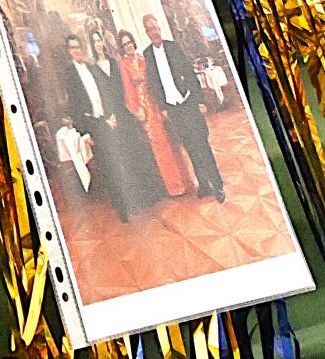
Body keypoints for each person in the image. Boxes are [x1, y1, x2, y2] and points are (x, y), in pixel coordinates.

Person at [142, 13, 227, 200]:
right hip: (173, 109)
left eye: (155, 28)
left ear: (159, 28)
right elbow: (153, 83)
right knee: (189, 146)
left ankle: (218, 185)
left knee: (202, 144)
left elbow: (190, 73)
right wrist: (163, 106)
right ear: (146, 32)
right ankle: (204, 184)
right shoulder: (147, 55)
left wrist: (200, 101)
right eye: (149, 29)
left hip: (188, 102)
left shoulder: (174, 47)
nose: (154, 32)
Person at [59, 34, 143, 222]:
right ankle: (122, 209)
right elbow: (74, 106)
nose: (76, 51)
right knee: (107, 166)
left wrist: (111, 114)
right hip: (93, 125)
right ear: (69, 51)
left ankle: (132, 202)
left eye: (78, 47)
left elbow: (105, 91)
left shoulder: (92, 67)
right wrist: (84, 133)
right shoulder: (69, 74)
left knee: (121, 159)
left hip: (108, 120)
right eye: (72, 48)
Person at [117, 27, 193, 198]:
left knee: (172, 142)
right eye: (125, 44)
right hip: (145, 108)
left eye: (129, 42)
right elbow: (128, 91)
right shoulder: (124, 64)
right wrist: (137, 110)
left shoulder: (143, 58)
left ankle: (185, 180)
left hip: (157, 102)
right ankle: (174, 187)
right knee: (160, 147)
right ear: (122, 48)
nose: (128, 46)